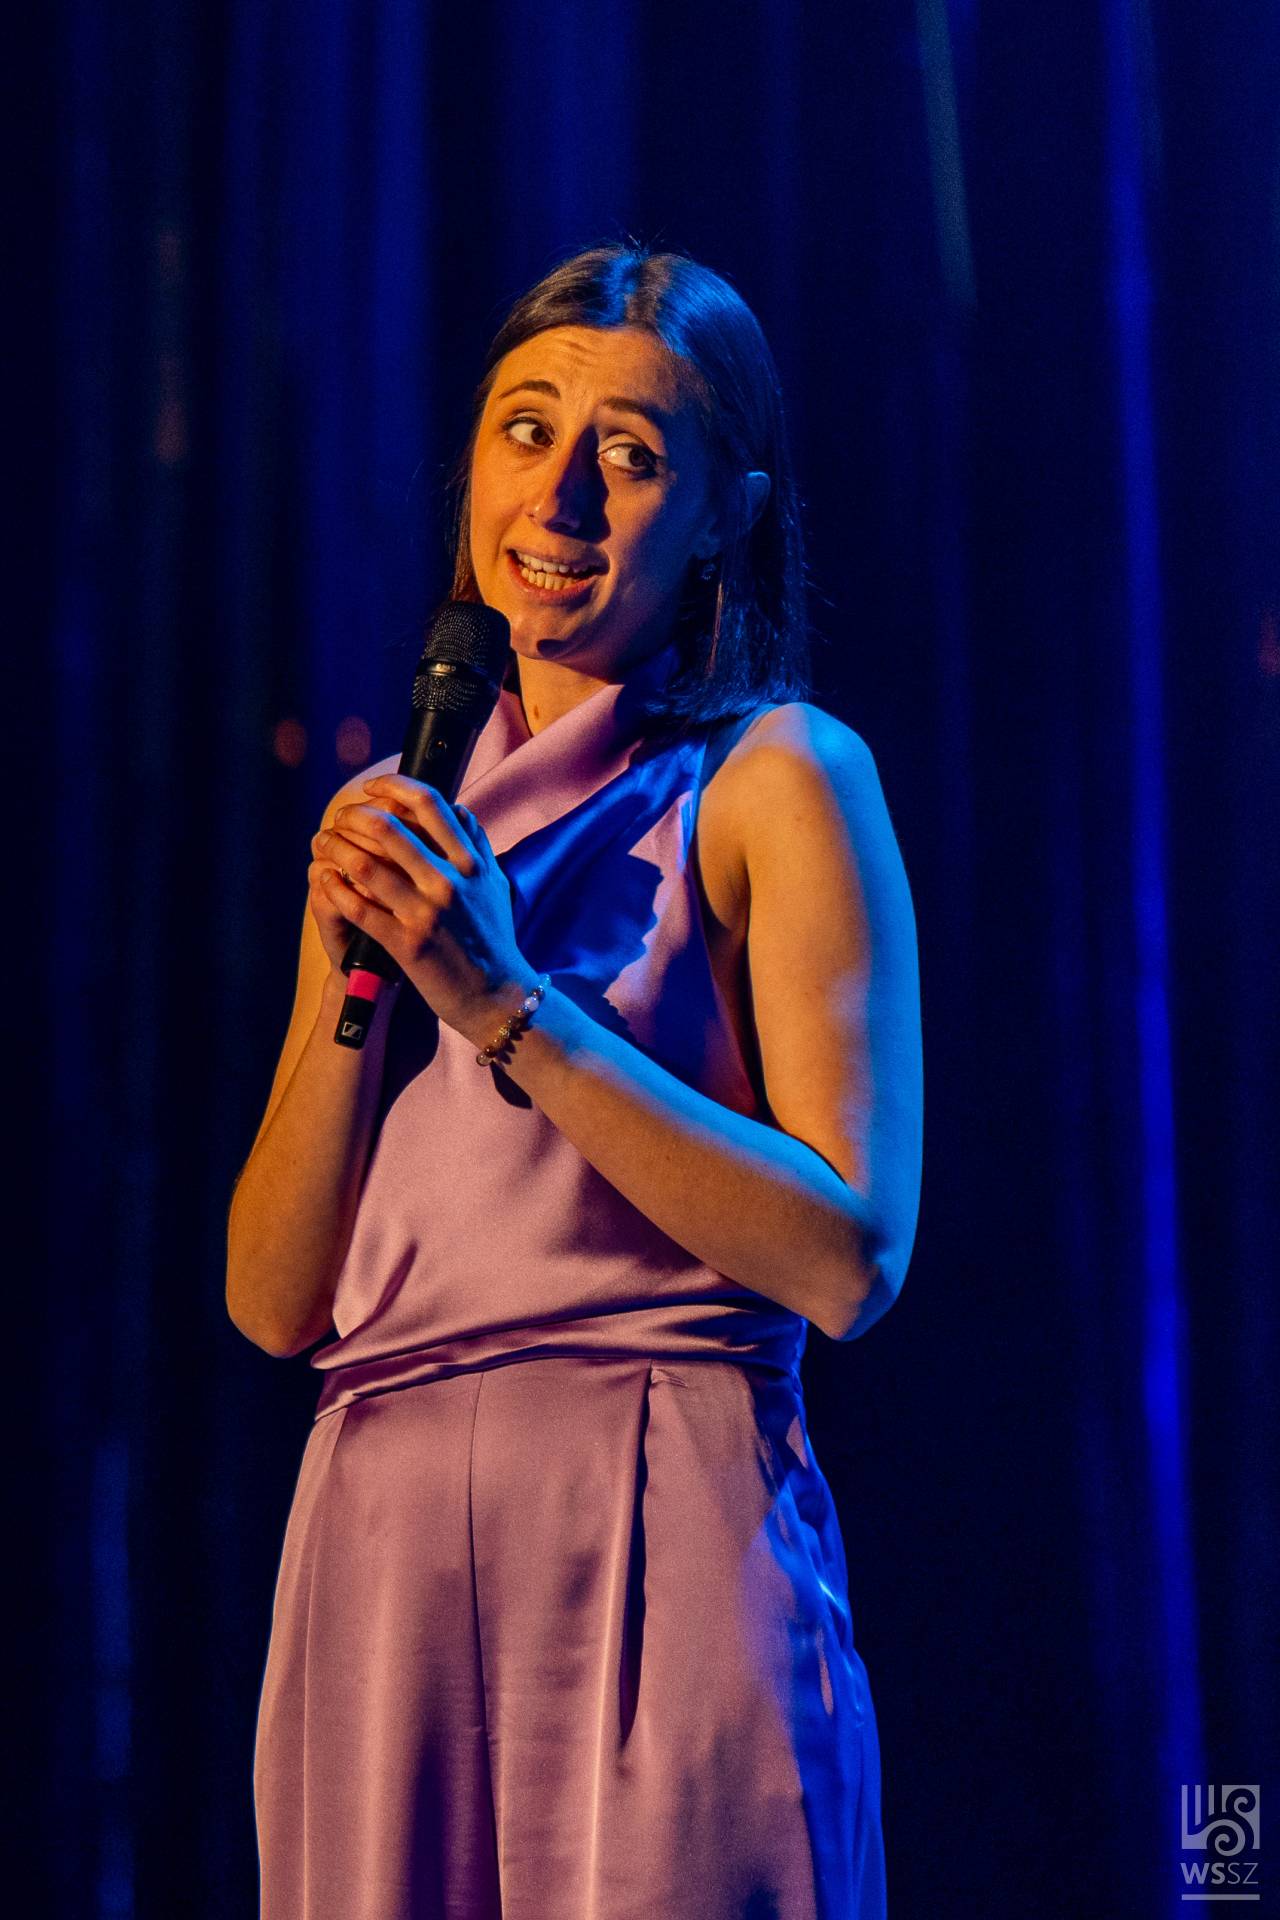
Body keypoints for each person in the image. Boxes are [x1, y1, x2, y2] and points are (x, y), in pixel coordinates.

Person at [228, 241, 922, 1920]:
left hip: (653, 1510)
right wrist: (352, 959)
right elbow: (271, 1300)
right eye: (525, 432)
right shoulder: (406, 816)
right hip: (376, 1531)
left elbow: (850, 1255)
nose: (560, 496)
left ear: (724, 516)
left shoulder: (775, 779)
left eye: (630, 455)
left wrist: (508, 1005)